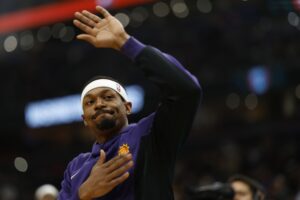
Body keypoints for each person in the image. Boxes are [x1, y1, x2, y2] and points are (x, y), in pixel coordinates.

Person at [58, 5, 202, 200]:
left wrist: (124, 42)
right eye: (90, 102)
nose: (99, 104)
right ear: (84, 119)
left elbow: (186, 90)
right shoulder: (75, 168)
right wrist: (82, 195)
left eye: (108, 97)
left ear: (127, 107)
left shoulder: (150, 133)